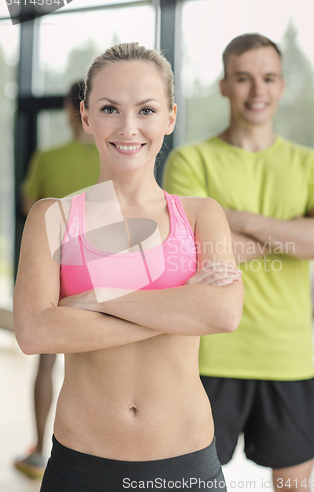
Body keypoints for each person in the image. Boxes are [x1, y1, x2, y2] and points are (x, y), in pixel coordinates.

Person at [13, 42, 243, 492]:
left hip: (186, 465)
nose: (128, 127)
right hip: (81, 466)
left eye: (147, 110)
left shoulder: (199, 215)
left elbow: (223, 313)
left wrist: (96, 300)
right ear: (86, 117)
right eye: (109, 108)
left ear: (170, 117)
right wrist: (178, 310)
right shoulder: (53, 217)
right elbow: (36, 332)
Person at [163, 33, 314, 492]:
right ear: (224, 85)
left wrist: (236, 219)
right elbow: (190, 249)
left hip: (288, 359)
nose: (257, 90)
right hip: (208, 358)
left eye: (268, 78)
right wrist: (294, 234)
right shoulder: (190, 160)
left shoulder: (311, 164)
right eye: (243, 78)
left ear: (281, 86)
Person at [14, 81, 100, 479]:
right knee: (99, 366)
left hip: (56, 273)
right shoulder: (110, 158)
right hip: (102, 276)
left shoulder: (49, 158)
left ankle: (39, 450)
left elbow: (31, 208)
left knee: (47, 364)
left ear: (72, 109)